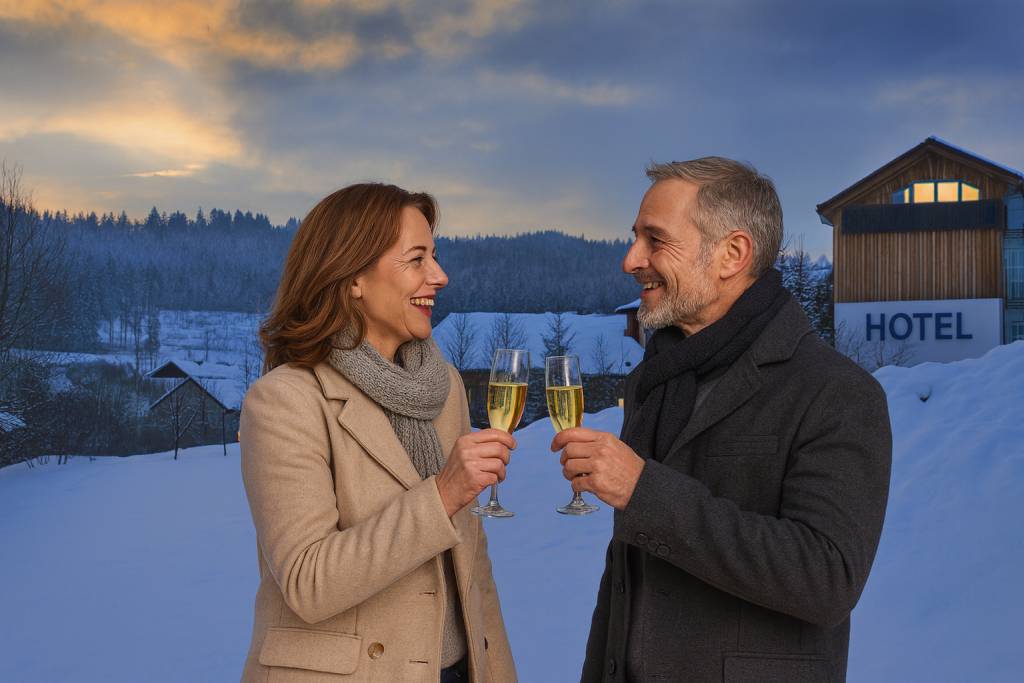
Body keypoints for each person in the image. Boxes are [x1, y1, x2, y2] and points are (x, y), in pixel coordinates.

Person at [554, 158, 892, 683]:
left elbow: (827, 580)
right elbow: (628, 581)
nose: (630, 260)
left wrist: (644, 490)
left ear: (732, 254)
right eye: (634, 237)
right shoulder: (655, 379)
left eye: (655, 240)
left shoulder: (838, 393)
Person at [239, 183, 517, 683]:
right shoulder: (286, 400)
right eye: (416, 260)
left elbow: (473, 562)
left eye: (435, 256)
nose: (439, 275)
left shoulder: (444, 386)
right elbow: (308, 582)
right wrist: (442, 494)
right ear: (352, 280)